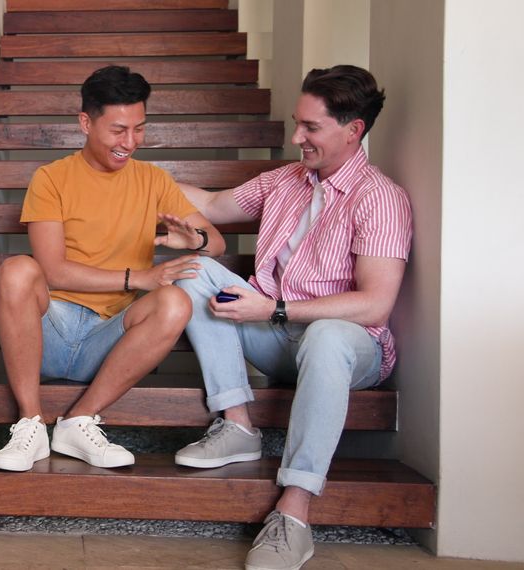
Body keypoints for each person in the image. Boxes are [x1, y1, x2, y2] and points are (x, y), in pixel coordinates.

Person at [172, 65, 413, 570]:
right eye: (296, 123)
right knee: (194, 270)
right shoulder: (286, 180)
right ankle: (237, 423)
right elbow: (214, 205)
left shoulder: (381, 199)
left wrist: (275, 307)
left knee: (326, 336)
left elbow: (374, 305)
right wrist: (133, 179)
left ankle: (295, 510)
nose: (296, 137)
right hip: (275, 334)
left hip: (349, 349)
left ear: (353, 130)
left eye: (310, 128)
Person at [0, 65, 225, 472]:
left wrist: (196, 241)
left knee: (174, 302)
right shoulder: (51, 179)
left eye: (139, 129)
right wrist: (139, 278)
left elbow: (216, 242)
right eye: (119, 129)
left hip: (109, 339)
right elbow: (54, 270)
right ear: (85, 122)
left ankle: (79, 420)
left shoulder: (153, 180)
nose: (130, 142)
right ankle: (30, 425)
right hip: (49, 333)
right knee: (16, 270)